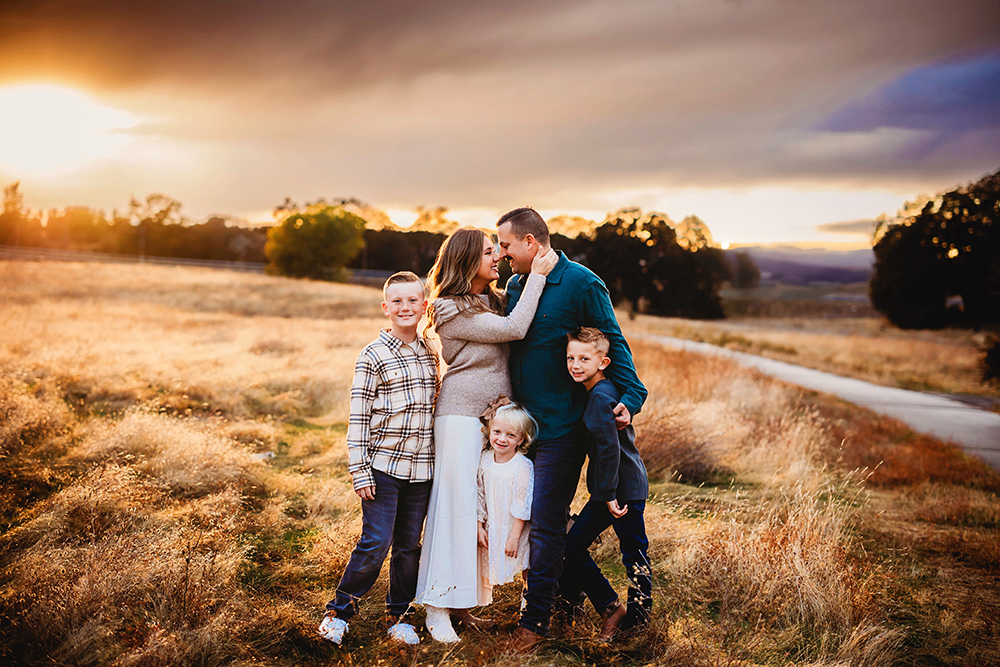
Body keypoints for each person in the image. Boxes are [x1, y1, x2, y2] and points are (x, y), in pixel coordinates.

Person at [495, 207, 648, 652]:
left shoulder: (582, 283)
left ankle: (535, 625)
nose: (502, 254)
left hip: (563, 428)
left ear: (530, 243)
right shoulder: (518, 284)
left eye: (506, 245)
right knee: (543, 522)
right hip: (524, 429)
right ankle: (588, 603)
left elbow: (613, 344)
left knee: (544, 524)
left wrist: (630, 398)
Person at [414, 227, 557, 643]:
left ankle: (464, 603)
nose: (497, 258)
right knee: (455, 509)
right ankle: (437, 606)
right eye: (488, 253)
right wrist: (539, 277)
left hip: (490, 420)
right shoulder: (449, 308)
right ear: (465, 261)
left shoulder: (490, 300)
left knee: (481, 512)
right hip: (460, 417)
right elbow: (515, 328)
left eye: (498, 251)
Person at [319, 271, 439, 647]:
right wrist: (360, 470)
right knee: (376, 542)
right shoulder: (373, 354)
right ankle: (338, 612)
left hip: (422, 471)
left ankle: (398, 616)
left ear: (424, 306)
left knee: (409, 547)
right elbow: (358, 418)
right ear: (386, 308)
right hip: (383, 468)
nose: (406, 307)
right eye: (397, 302)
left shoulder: (430, 353)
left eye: (413, 301)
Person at [559, 327, 651, 643]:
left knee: (634, 554)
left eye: (584, 358)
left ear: (603, 362)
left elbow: (610, 449)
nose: (575, 364)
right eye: (571, 357)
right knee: (573, 547)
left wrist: (610, 495)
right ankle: (613, 608)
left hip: (621, 491)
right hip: (610, 490)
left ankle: (638, 626)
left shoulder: (600, 397)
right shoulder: (603, 390)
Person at [477, 402, 536, 607]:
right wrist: (479, 525)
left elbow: (522, 504)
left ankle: (528, 607)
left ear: (521, 439)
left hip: (515, 529)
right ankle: (477, 601)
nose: (502, 439)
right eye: (497, 432)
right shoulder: (484, 459)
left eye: (511, 435)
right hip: (492, 526)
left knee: (526, 565)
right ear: (489, 431)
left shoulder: (522, 466)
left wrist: (514, 537)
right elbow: (480, 495)